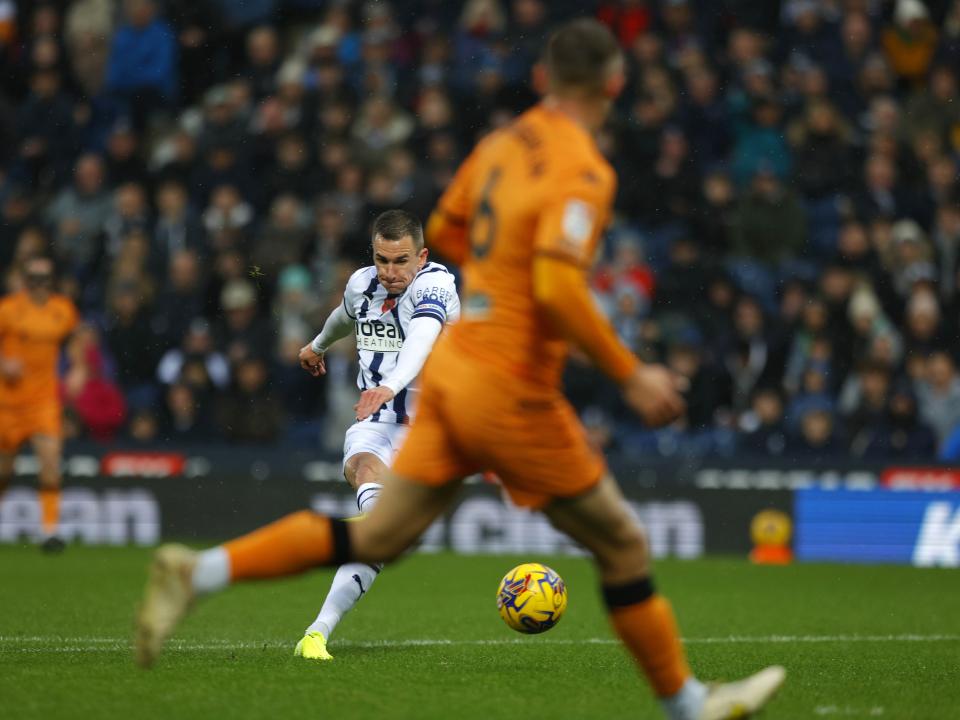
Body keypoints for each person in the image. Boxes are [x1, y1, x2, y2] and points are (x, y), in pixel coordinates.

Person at [135, 20, 784, 720]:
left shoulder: (500, 145)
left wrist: (477, 293)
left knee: (375, 537)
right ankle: (689, 706)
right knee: (622, 542)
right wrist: (631, 373)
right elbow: (558, 288)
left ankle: (198, 571)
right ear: (615, 86)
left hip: (452, 380)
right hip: (511, 390)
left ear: (541, 79)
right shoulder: (585, 169)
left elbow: (445, 228)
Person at [291, 209, 460, 660]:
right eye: (382, 260)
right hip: (374, 421)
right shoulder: (361, 283)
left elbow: (423, 337)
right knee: (363, 471)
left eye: (401, 261)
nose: (390, 272)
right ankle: (316, 634)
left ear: (421, 256)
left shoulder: (436, 286)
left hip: (429, 435)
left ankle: (371, 529)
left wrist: (389, 386)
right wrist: (317, 346)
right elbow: (344, 316)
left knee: (381, 536)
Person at [0, 256, 79, 552]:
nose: (38, 284)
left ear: (51, 280)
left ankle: (49, 530)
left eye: (43, 278)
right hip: (7, 403)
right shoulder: (8, 309)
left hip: (44, 401)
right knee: (3, 472)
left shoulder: (63, 310)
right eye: (32, 277)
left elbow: (74, 341)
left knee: (50, 462)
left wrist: (78, 367)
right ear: (24, 280)